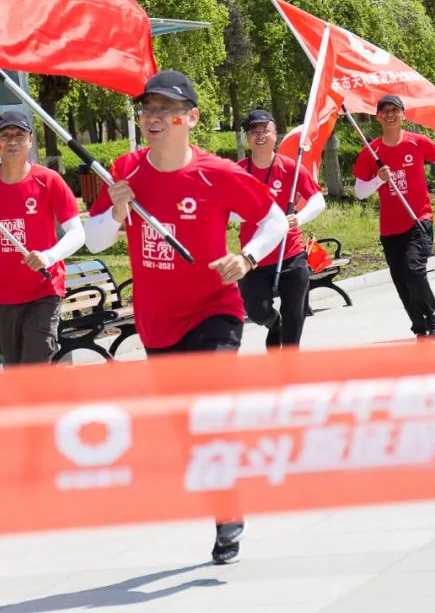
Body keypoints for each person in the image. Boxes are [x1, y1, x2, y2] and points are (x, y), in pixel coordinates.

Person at [84, 70, 286, 565]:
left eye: (166, 110)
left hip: (214, 309)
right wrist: (115, 211)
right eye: (148, 110)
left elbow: (274, 219)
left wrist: (248, 257)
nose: (153, 118)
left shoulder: (217, 173)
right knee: (187, 432)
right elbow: (95, 240)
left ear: (190, 118)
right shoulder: (126, 170)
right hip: (158, 322)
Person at [0, 110, 85, 365]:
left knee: (34, 367)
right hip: (2, 298)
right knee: (13, 370)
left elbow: (77, 233)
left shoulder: (48, 181)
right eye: (5, 135)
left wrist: (48, 256)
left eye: (19, 135)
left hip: (44, 292)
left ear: (30, 140)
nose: (12, 141)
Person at [353, 94, 435, 338]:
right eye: (385, 111)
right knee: (401, 280)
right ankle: (418, 325)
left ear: (403, 115)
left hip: (418, 219)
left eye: (395, 110)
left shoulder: (417, 142)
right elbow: (359, 192)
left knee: (413, 270)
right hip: (390, 228)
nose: (390, 115)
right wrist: (379, 179)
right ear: (378, 117)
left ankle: (431, 316)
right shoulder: (371, 151)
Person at [234, 109, 326, 348]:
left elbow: (317, 199)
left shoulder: (290, 168)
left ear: (275, 134)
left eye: (265, 130)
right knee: (256, 310)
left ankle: (289, 361)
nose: (260, 135)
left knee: (295, 313)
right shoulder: (238, 171)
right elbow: (224, 206)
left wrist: (299, 218)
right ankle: (275, 324)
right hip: (255, 257)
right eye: (253, 131)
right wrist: (247, 213)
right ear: (247, 137)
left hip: (290, 253)